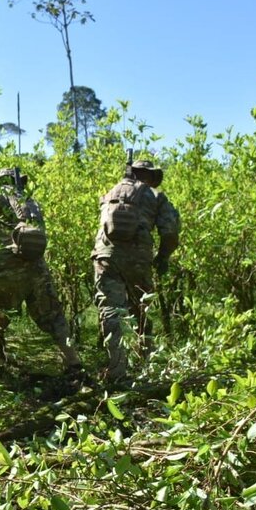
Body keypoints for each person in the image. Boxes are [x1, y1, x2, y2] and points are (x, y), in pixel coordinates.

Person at [0, 167, 85, 379]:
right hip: (37, 267)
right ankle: (73, 364)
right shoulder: (30, 201)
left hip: (5, 267)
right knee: (54, 317)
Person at [91, 159, 180, 387]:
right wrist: (162, 258)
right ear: (148, 176)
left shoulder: (111, 191)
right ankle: (145, 362)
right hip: (138, 259)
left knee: (110, 310)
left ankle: (116, 368)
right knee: (141, 310)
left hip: (106, 257)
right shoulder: (155, 196)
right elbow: (169, 232)